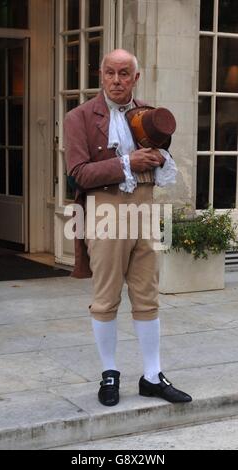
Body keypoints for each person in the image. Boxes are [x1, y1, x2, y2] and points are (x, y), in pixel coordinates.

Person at [64, 49, 192, 406]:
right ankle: (109, 374)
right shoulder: (79, 117)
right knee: (106, 297)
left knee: (148, 294)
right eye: (109, 73)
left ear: (136, 78)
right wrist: (127, 162)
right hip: (105, 208)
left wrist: (159, 159)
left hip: (147, 208)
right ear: (100, 75)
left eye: (124, 73)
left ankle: (152, 376)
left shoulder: (149, 115)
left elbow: (164, 169)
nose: (116, 80)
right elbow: (79, 172)